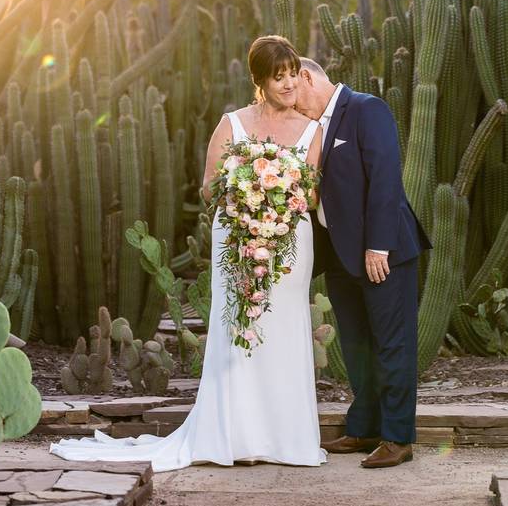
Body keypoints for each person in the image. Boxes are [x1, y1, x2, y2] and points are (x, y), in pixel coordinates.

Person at [49, 36, 327, 472]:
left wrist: (276, 196)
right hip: (235, 235)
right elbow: (209, 187)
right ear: (260, 80)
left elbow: (310, 194)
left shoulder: (313, 130)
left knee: (284, 329)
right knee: (236, 327)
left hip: (289, 243)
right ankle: (232, 434)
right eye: (280, 76)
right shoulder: (232, 124)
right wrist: (247, 188)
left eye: (294, 73)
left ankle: (284, 437)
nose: (290, 83)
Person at [294, 58, 431, 468]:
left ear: (307, 77)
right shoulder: (309, 127)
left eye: (293, 91)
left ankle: (397, 438)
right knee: (356, 347)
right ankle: (363, 428)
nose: (291, 104)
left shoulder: (366, 109)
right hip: (339, 256)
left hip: (382, 254)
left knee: (392, 345)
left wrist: (379, 246)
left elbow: (385, 178)